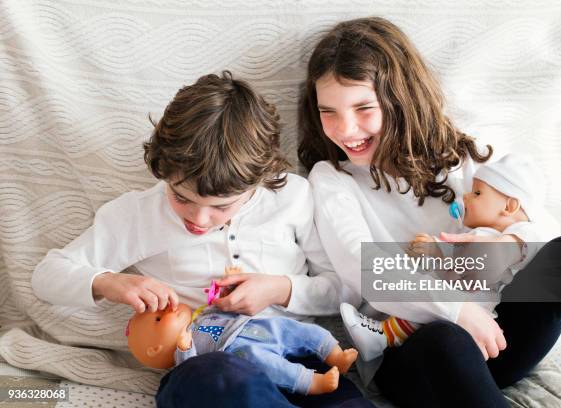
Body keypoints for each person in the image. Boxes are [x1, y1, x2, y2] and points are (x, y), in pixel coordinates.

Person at [298, 16, 561, 407]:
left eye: (364, 108)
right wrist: (457, 309)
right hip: (417, 352)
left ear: (400, 101)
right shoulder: (332, 179)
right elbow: (365, 269)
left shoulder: (461, 159)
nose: (346, 130)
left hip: (496, 336)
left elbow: (537, 223)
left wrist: (510, 245)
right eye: (329, 111)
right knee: (447, 337)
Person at [31, 72, 370, 407]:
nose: (199, 219)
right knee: (221, 382)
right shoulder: (138, 215)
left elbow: (343, 287)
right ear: (163, 171)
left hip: (300, 360)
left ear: (260, 179)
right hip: (208, 366)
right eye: (181, 198)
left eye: (222, 206)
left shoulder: (293, 197)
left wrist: (282, 289)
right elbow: (47, 275)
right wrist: (110, 283)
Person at [339, 154, 550, 361]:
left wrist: (439, 253)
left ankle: (383, 336)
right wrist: (436, 253)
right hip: (461, 303)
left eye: (477, 193)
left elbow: (536, 240)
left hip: (476, 309)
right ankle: (383, 335)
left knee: (431, 313)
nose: (466, 196)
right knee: (426, 305)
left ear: (509, 206)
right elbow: (454, 273)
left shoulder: (513, 238)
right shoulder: (478, 235)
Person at [126, 300, 358, 395]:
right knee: (270, 366)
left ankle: (333, 354)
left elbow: (228, 310)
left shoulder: (201, 317)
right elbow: (194, 370)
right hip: (238, 351)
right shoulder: (181, 354)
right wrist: (185, 348)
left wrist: (226, 297)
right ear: (155, 348)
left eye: (163, 307)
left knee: (297, 330)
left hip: (258, 326)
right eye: (159, 319)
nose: (169, 309)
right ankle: (312, 383)